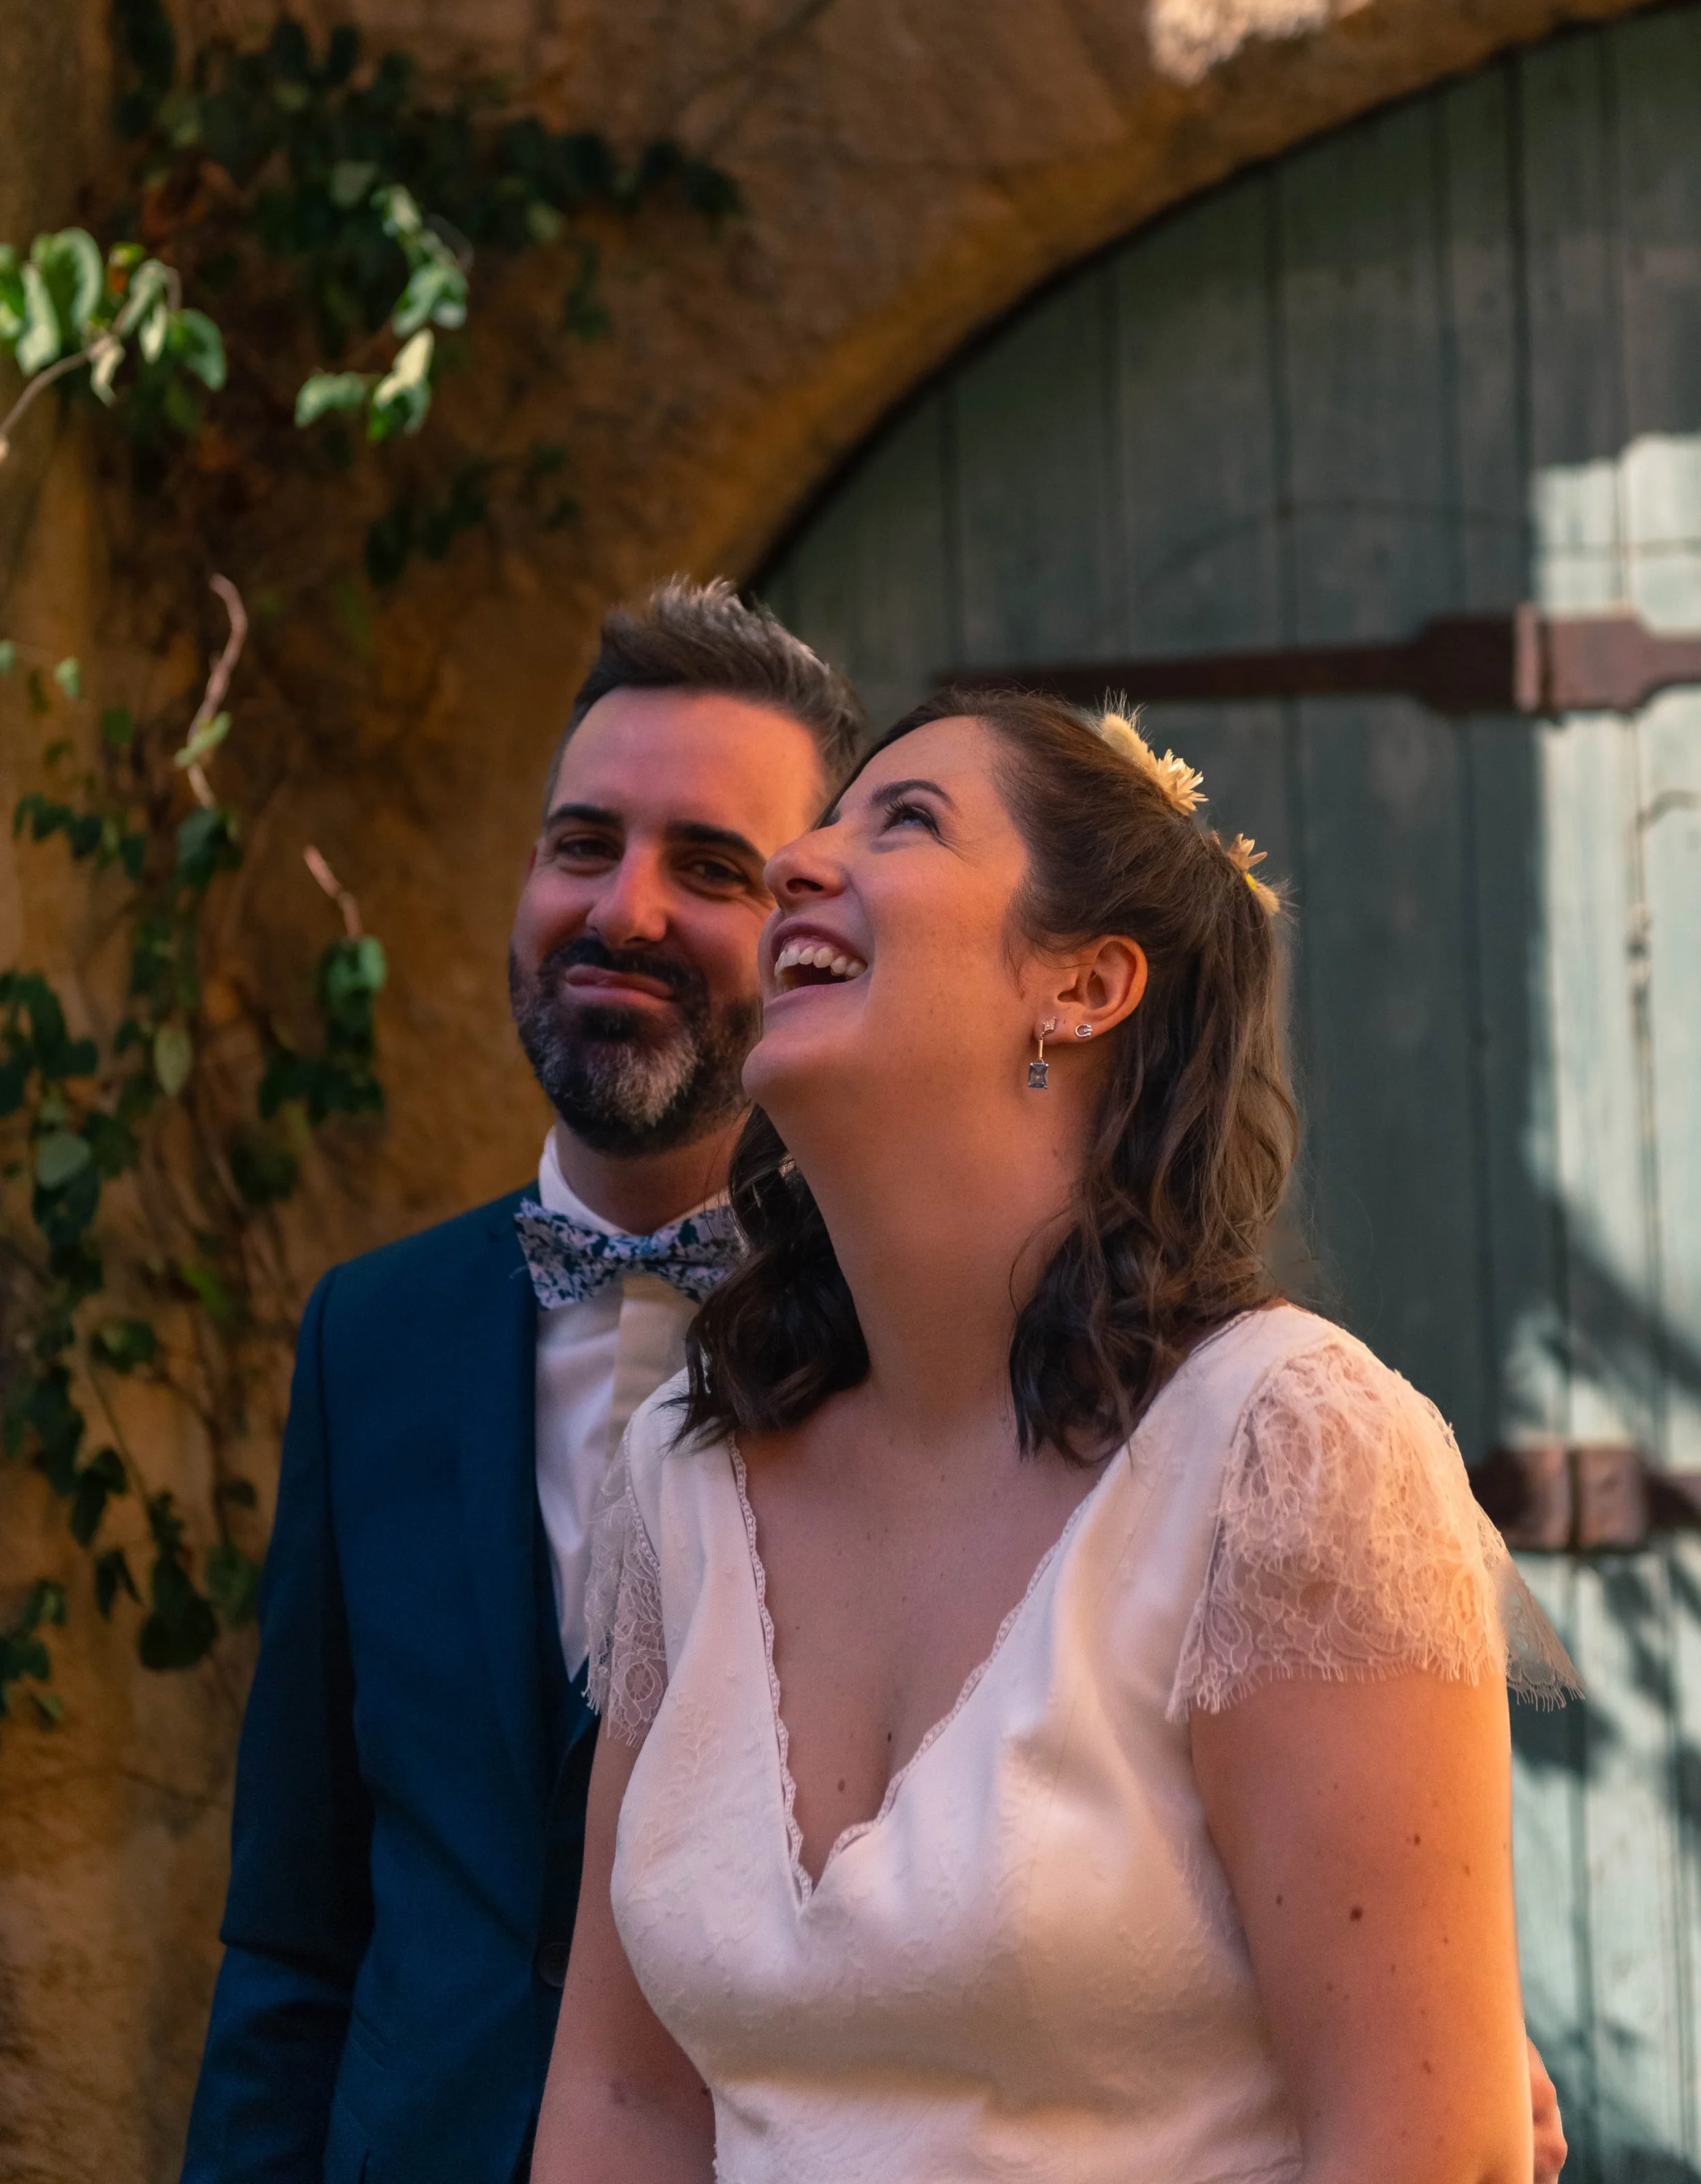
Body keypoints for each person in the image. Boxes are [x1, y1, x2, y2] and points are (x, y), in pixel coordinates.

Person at [535, 686, 1579, 2184]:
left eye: (900, 822)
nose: (797, 864)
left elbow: (1429, 2149)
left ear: (1083, 987)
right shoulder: (677, 1485)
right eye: (822, 822)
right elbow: (625, 2108)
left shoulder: (1279, 1459)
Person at [179, 583, 865, 2184]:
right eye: (580, 844)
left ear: (813, 936)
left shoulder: (904, 1344)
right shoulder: (372, 1336)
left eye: (709, 868)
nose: (620, 910)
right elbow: (292, 1936)